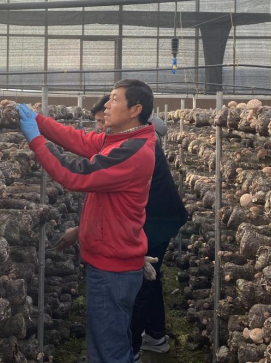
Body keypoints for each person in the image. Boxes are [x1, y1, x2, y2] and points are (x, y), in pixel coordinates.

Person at [17, 80, 156, 363]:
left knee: (109, 351)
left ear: (135, 110)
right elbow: (79, 140)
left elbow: (76, 174)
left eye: (114, 99)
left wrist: (36, 140)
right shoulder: (120, 141)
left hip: (113, 268)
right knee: (110, 342)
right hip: (111, 262)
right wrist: (39, 121)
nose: (106, 105)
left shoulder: (133, 151)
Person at [58, 95, 188, 362]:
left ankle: (133, 349)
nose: (99, 128)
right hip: (157, 216)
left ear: (128, 113)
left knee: (138, 283)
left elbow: (97, 188)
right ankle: (156, 336)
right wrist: (83, 228)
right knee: (150, 277)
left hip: (155, 219)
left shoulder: (133, 146)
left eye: (101, 120)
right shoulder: (130, 139)